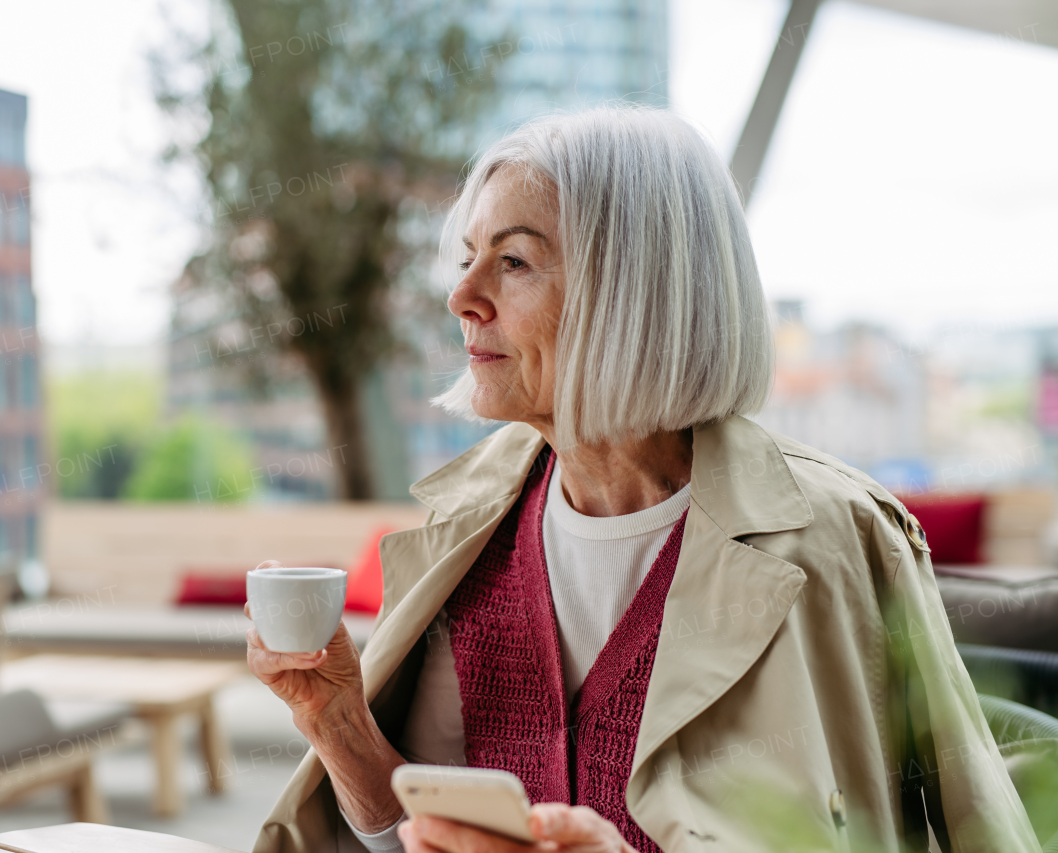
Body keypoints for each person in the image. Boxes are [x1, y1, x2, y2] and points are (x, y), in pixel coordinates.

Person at [246, 106, 1038, 853]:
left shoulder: (840, 539)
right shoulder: (467, 527)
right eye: (468, 259)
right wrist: (338, 722)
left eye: (513, 260)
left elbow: (987, 828)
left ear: (634, 293)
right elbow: (421, 831)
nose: (462, 296)